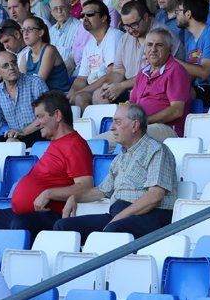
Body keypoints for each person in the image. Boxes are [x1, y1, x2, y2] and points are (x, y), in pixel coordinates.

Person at [0, 91, 93, 237]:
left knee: (19, 224)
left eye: (40, 117)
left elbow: (85, 186)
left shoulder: (75, 145)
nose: (36, 123)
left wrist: (49, 193)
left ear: (57, 115)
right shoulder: (56, 143)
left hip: (51, 215)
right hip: (22, 214)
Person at [56, 103, 178, 243]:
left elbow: (154, 196)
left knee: (113, 231)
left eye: (117, 122)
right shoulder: (121, 156)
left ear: (135, 125)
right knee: (63, 226)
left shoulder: (157, 150)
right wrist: (74, 197)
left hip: (149, 216)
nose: (111, 127)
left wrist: (119, 218)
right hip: (119, 217)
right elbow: (102, 191)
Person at [0, 51, 49, 147]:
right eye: (5, 66)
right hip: (17, 136)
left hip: (40, 133)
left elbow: (46, 116)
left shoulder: (35, 83)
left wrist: (23, 132)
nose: (11, 67)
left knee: (11, 142)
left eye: (13, 63)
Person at [67, 0, 124, 110]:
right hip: (93, 88)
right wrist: (71, 93)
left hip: (111, 87)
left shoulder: (114, 36)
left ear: (103, 18)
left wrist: (81, 92)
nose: (85, 18)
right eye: (82, 15)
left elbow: (111, 75)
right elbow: (81, 78)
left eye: (90, 14)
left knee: (80, 98)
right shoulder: (89, 44)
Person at [19, 16, 69, 93]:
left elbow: (39, 82)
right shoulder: (25, 56)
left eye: (29, 29)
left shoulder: (49, 50)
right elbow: (20, 83)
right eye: (23, 30)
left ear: (40, 33)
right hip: (39, 97)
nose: (25, 33)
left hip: (58, 97)